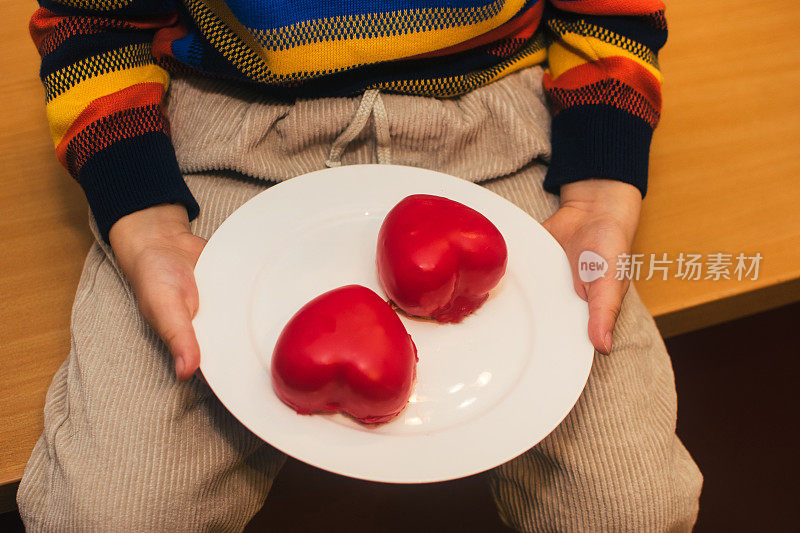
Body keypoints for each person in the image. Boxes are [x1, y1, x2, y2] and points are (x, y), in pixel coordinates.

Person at [19, 0, 702, 530]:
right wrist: (144, 216)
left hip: (494, 125)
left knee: (633, 503)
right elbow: (92, 24)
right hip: (227, 127)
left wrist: (603, 185)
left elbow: (610, 16)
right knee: (106, 512)